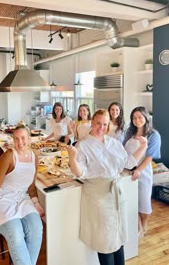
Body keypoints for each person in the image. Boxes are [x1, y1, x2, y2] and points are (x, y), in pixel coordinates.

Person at [67, 109, 148, 265]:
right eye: (98, 123)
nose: (101, 127)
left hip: (116, 193)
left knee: (118, 235)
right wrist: (72, 159)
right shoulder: (83, 145)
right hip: (98, 196)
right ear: (92, 123)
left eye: (105, 124)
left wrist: (143, 147)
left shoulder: (113, 143)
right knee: (104, 240)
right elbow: (80, 173)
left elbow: (129, 163)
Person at [0, 124, 44, 265]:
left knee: (37, 229)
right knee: (17, 235)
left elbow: (31, 186)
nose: (20, 142)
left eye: (23, 138)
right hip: (2, 200)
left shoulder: (34, 157)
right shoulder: (9, 156)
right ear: (13, 140)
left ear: (29, 139)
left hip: (22, 199)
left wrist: (36, 203)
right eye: (16, 139)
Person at [123, 106, 161, 238]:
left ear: (146, 118)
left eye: (140, 117)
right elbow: (124, 148)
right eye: (134, 118)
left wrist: (138, 170)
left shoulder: (153, 135)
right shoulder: (129, 132)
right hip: (126, 171)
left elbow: (149, 156)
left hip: (142, 171)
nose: (137, 120)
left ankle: (144, 224)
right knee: (131, 200)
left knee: (143, 201)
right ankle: (137, 226)